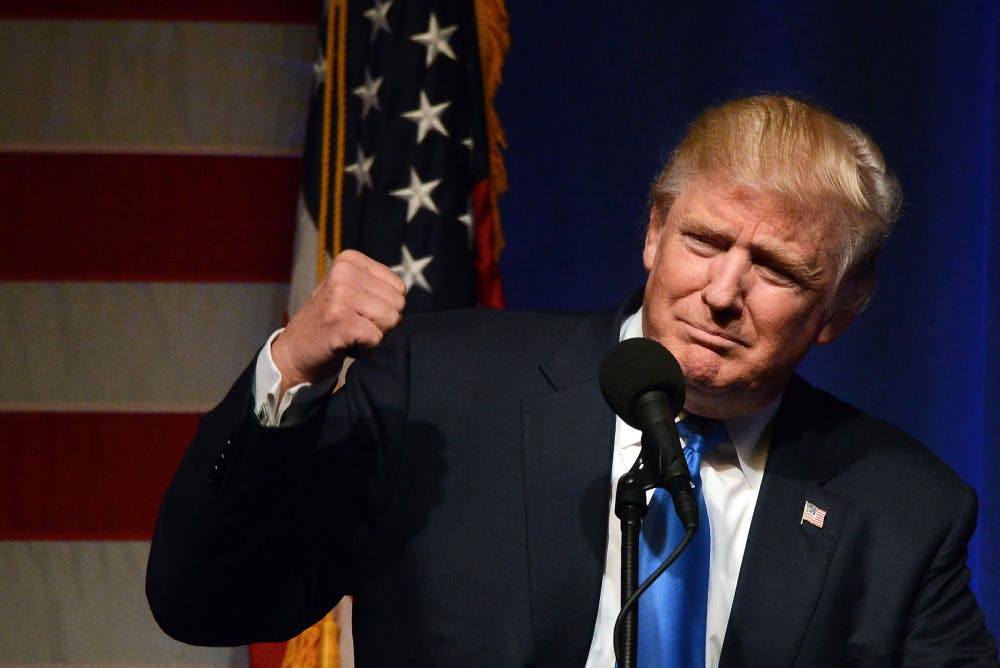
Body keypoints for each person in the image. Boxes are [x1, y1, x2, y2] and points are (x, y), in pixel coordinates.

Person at [146, 95, 998, 666]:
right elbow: (206, 601)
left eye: (776, 269)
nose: (724, 292)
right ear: (654, 233)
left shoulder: (900, 510)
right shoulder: (441, 389)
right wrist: (289, 369)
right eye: (705, 241)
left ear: (840, 310)